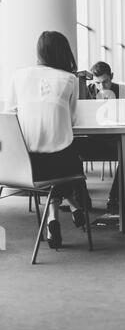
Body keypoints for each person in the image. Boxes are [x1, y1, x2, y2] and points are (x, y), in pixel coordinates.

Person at [5, 31, 88, 250]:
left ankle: (53, 218)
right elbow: (71, 120)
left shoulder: (18, 75)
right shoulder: (70, 79)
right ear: (64, 52)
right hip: (59, 165)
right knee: (68, 157)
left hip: (24, 164)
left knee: (56, 163)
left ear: (39, 51)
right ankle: (71, 206)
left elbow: (9, 115)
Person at [74, 61, 125, 215]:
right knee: (70, 148)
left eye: (105, 82)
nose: (102, 87)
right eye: (97, 83)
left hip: (115, 141)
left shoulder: (124, 91)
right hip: (93, 140)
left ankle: (114, 199)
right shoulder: (87, 91)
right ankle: (81, 199)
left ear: (112, 77)